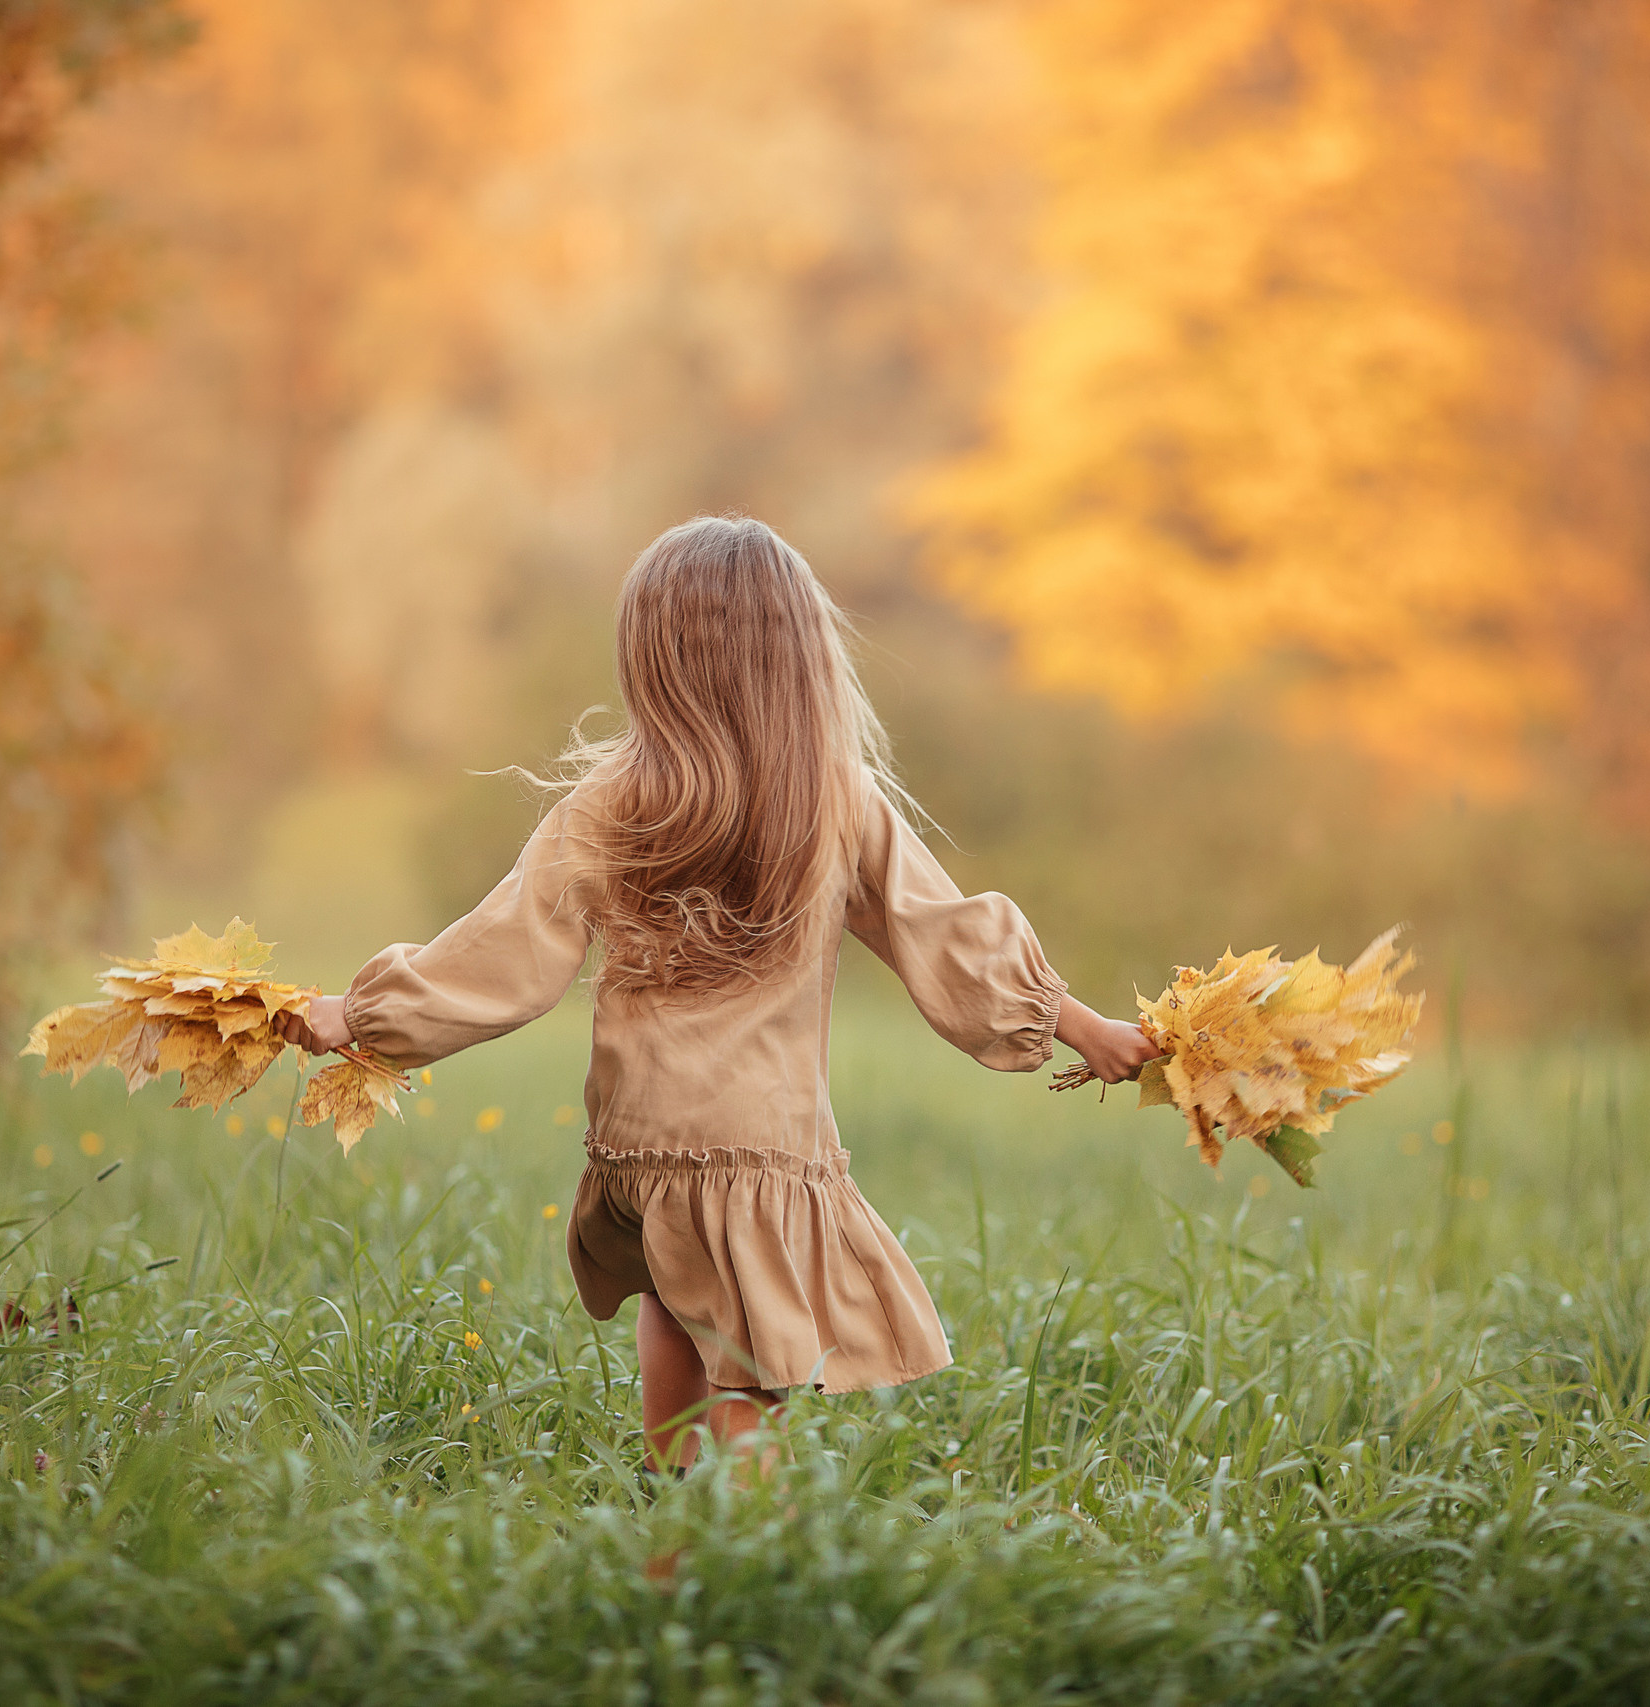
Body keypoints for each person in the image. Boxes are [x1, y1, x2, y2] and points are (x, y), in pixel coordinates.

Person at [275, 515, 1159, 1472]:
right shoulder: (834, 800)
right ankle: (737, 1560)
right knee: (750, 1379)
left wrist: (355, 1016)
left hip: (642, 1140)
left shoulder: (611, 804)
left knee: (671, 1298)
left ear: (651, 662)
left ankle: (671, 1526)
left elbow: (500, 957)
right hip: (760, 1143)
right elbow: (942, 936)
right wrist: (1081, 1026)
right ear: (800, 659)